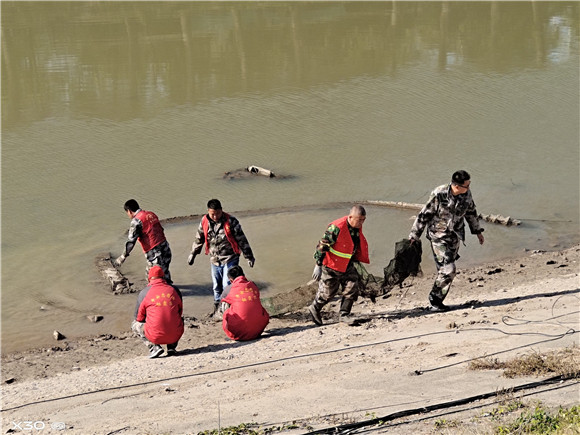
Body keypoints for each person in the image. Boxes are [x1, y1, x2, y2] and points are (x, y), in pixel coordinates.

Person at [409, 170, 485, 311]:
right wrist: (414, 235)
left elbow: (471, 212)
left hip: (455, 236)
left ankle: (437, 298)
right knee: (449, 270)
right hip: (438, 237)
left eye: (469, 185)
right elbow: (423, 215)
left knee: (444, 270)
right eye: (466, 186)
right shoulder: (439, 194)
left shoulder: (467, 194)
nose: (468, 188)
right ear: (456, 186)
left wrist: (477, 232)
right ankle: (435, 299)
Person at [187, 199, 255, 312]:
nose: (215, 217)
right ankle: (217, 307)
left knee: (226, 284)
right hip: (215, 259)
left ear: (221, 210)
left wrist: (249, 256)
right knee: (216, 286)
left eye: (218, 213)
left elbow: (242, 240)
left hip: (230, 258)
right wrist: (193, 253)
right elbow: (199, 238)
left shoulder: (231, 221)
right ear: (208, 211)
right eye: (212, 214)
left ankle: (227, 308)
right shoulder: (204, 222)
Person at [308, 205, 370, 326]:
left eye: (363, 219)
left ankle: (344, 314)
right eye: (359, 220)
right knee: (328, 293)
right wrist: (318, 265)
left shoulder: (356, 227)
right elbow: (323, 245)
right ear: (350, 217)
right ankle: (315, 308)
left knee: (352, 286)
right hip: (331, 265)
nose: (361, 222)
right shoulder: (336, 228)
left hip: (346, 264)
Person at [132, 265, 184, 358]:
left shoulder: (144, 292)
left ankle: (154, 347)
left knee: (135, 325)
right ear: (163, 277)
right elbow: (180, 312)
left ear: (149, 278)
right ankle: (171, 347)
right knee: (179, 319)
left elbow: (139, 318)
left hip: (155, 336)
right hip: (174, 334)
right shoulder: (174, 290)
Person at [115, 199, 172, 283]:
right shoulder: (151, 214)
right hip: (166, 249)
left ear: (129, 211)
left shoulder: (136, 221)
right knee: (165, 273)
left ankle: (164, 293)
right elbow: (160, 229)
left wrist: (123, 256)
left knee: (152, 278)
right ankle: (171, 290)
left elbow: (131, 241)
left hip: (154, 253)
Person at [220, 265, 269, 341]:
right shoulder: (253, 285)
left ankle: (234, 332)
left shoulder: (228, 289)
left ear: (231, 280)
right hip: (258, 330)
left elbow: (222, 302)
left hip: (239, 333)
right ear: (243, 275)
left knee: (225, 307)